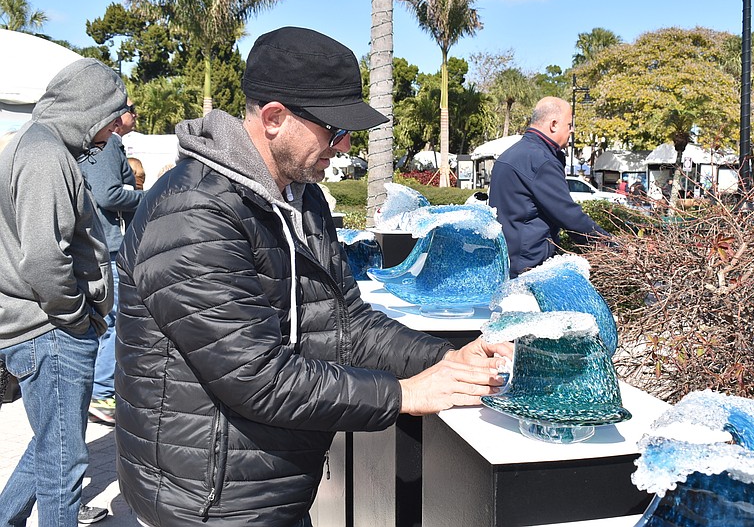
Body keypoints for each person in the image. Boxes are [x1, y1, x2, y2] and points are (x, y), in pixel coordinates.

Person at [114, 26, 510, 527]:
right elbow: (256, 377)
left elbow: (348, 324)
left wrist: (448, 358)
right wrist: (406, 394)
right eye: (333, 129)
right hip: (208, 502)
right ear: (275, 118)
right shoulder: (192, 214)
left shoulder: (304, 199)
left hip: (269, 485)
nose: (343, 146)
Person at [0, 58, 128, 526]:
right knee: (63, 465)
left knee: (50, 445)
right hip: (51, 331)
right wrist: (76, 318)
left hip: (48, 328)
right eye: (113, 114)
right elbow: (43, 258)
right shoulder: (43, 154)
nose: (116, 127)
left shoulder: (38, 147)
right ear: (88, 108)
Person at [487, 96, 612, 278]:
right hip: (529, 269)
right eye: (569, 125)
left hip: (506, 261)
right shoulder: (541, 160)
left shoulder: (510, 154)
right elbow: (568, 216)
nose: (572, 130)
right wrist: (611, 246)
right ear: (553, 125)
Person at [78, 100, 146, 426]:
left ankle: (94, 391)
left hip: (93, 246)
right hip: (110, 248)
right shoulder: (109, 143)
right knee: (115, 320)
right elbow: (108, 195)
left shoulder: (89, 143)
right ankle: (102, 394)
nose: (135, 114)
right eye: (132, 107)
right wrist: (148, 196)